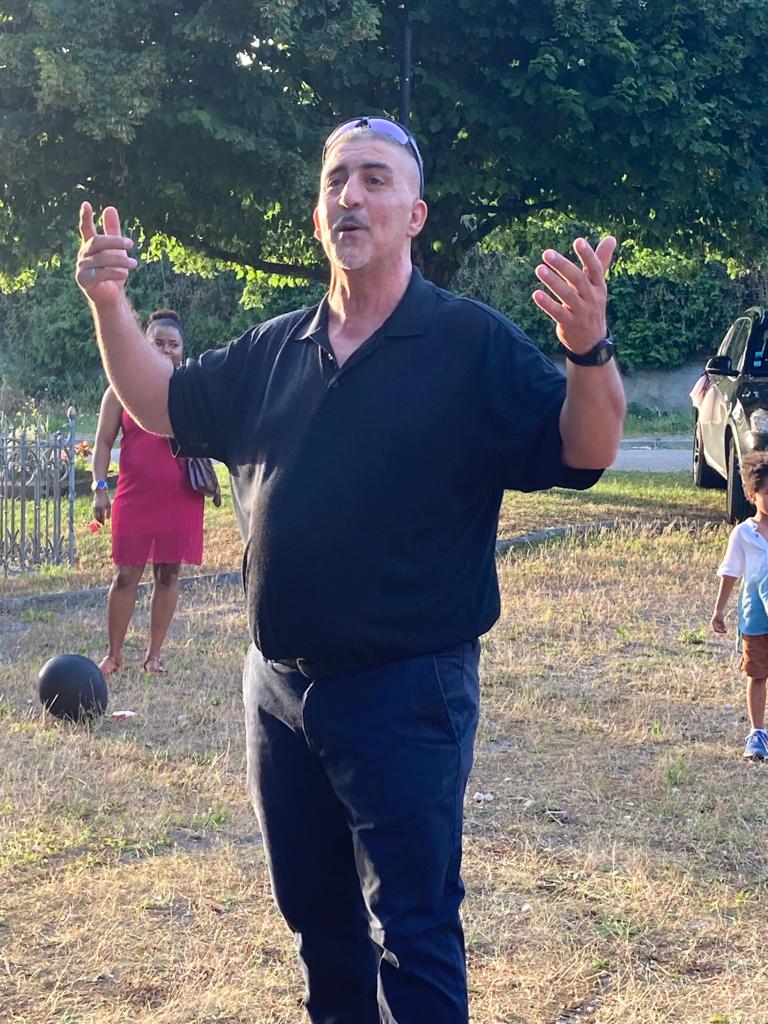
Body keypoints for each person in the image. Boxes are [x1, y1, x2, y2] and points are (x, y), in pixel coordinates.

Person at [76, 114, 625, 1024]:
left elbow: (587, 446)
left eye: (375, 179)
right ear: (317, 212)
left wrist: (587, 348)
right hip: (278, 689)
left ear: (415, 213)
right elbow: (162, 404)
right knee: (318, 924)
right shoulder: (274, 349)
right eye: (336, 180)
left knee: (415, 928)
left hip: (407, 688)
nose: (351, 196)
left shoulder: (469, 343)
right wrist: (109, 304)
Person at [91, 309, 205, 678]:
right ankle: (113, 655)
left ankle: (154, 656)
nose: (167, 351)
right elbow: (103, 442)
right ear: (144, 344)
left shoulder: (191, 391)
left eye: (174, 345)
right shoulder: (120, 389)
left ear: (183, 349)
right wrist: (99, 487)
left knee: (168, 574)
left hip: (180, 496)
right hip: (134, 496)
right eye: (158, 343)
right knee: (126, 574)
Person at [711, 450, 768, 760]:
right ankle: (757, 732)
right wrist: (719, 610)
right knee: (757, 674)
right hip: (755, 618)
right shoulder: (744, 534)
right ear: (751, 495)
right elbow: (730, 572)